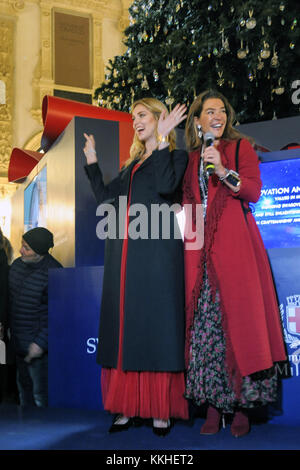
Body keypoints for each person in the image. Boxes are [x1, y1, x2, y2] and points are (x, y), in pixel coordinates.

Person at [182, 89, 286, 437]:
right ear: (197, 121)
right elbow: (189, 205)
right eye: (209, 111)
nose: (217, 116)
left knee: (240, 327)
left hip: (237, 249)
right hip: (201, 258)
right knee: (207, 331)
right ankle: (214, 406)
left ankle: (241, 408)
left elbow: (253, 192)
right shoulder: (192, 158)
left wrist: (223, 169)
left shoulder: (239, 148)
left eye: (222, 110)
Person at [83, 98, 188, 436]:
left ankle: (160, 410)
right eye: (134, 118)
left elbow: (164, 186)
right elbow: (105, 199)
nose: (136, 122)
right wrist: (92, 162)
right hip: (122, 259)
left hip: (156, 257)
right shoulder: (130, 165)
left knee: (155, 329)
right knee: (125, 331)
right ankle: (126, 408)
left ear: (160, 119)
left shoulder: (174, 155)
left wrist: (162, 140)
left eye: (142, 116)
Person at [8, 227, 62, 407]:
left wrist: (40, 343)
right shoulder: (16, 266)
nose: (21, 250)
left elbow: (56, 315)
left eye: (27, 248)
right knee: (24, 391)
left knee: (40, 396)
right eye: (22, 245)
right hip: (17, 344)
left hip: (39, 350)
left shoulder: (54, 272)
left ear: (40, 253)